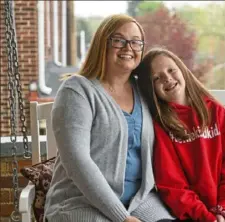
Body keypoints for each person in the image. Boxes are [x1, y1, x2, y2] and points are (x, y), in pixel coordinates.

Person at [44, 15, 175, 222]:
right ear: (102, 44)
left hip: (139, 201)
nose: (128, 47)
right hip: (82, 202)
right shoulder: (77, 90)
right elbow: (77, 161)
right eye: (118, 40)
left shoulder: (143, 90)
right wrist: (122, 217)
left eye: (135, 42)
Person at [135, 48, 225, 222]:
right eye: (156, 78)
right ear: (151, 89)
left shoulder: (215, 111)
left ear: (182, 69)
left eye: (171, 70)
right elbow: (171, 184)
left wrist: (224, 208)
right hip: (188, 214)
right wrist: (206, 217)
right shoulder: (160, 126)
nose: (167, 78)